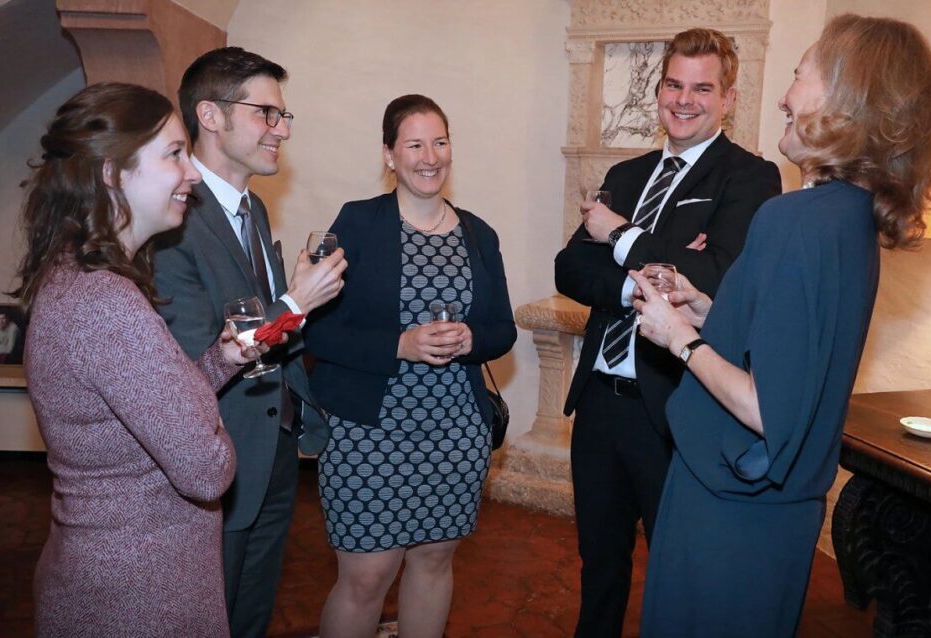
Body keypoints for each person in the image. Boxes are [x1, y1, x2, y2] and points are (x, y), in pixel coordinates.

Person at [630, 14, 931, 637]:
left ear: (845, 97)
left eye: (800, 74)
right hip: (776, 512)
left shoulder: (794, 219)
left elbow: (769, 410)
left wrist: (679, 337)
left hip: (727, 508)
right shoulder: (848, 218)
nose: (783, 94)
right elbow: (796, 352)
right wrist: (709, 310)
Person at [15, 82, 273, 637]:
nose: (194, 173)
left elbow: (142, 410)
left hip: (117, 570)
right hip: (141, 590)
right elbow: (207, 470)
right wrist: (220, 432)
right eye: (175, 154)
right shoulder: (107, 303)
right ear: (112, 172)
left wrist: (219, 361)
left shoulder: (79, 278)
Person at [553, 28, 781, 637]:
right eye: (674, 84)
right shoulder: (626, 174)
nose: (684, 100)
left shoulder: (752, 179)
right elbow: (569, 266)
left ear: (728, 98)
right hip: (600, 403)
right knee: (599, 565)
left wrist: (619, 236)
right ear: (658, 90)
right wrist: (643, 279)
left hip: (675, 409)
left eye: (702, 88)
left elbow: (717, 274)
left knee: (679, 575)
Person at [151, 47, 347, 638]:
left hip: (273, 445)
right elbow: (194, 354)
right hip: (219, 450)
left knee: (251, 614)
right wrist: (295, 305)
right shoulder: (173, 215)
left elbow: (257, 318)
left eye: (284, 116)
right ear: (211, 116)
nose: (282, 130)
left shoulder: (253, 208)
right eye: (267, 113)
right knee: (211, 617)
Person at [304, 94, 516, 638]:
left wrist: (471, 337)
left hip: (455, 431)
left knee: (434, 560)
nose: (430, 156)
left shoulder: (478, 233)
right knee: (367, 576)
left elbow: (503, 329)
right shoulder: (357, 223)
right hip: (368, 432)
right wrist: (399, 345)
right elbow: (318, 329)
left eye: (440, 142)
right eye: (414, 144)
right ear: (390, 155)